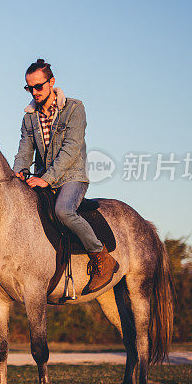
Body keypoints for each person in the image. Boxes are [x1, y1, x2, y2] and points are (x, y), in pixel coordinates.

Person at [13, 58, 118, 294]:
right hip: (42, 177)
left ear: (51, 82)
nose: (34, 92)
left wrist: (46, 179)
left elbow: (71, 149)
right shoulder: (29, 117)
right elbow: (24, 150)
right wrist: (18, 172)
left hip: (72, 176)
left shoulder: (74, 108)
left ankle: (101, 257)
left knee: (63, 211)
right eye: (29, 87)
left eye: (38, 86)